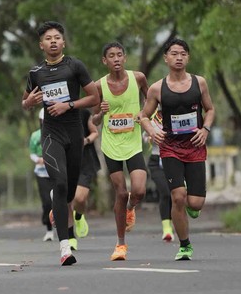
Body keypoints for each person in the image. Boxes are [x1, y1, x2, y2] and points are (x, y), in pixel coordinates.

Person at [22, 21, 99, 266]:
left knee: (70, 192)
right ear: (41, 45)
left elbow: (94, 97)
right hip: (51, 134)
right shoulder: (36, 73)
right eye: (48, 38)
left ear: (63, 42)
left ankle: (59, 204)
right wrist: (29, 102)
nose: (53, 41)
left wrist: (69, 105)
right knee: (60, 182)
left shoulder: (75, 66)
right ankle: (65, 247)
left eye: (57, 37)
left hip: (74, 133)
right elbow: (25, 102)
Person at [139, 38, 215, 261]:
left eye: (183, 53)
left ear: (188, 57)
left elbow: (210, 110)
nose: (178, 57)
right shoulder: (157, 88)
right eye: (174, 53)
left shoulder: (199, 83)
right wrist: (152, 132)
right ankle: (184, 245)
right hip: (170, 147)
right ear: (166, 58)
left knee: (195, 202)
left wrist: (206, 129)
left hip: (195, 146)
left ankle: (194, 203)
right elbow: (143, 116)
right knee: (178, 197)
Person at [92, 42, 148, 261]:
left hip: (133, 144)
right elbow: (94, 120)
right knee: (121, 193)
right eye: (111, 56)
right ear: (104, 61)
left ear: (124, 58)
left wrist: (143, 113)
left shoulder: (138, 78)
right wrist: (100, 112)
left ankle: (131, 208)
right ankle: (120, 244)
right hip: (111, 146)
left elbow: (151, 101)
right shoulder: (98, 86)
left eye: (119, 55)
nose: (116, 59)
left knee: (139, 190)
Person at [69, 108, 100, 251]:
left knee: (80, 198)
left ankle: (79, 216)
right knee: (68, 200)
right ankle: (70, 237)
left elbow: (95, 132)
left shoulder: (83, 113)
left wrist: (86, 140)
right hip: (66, 160)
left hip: (85, 160)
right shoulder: (55, 112)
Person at [143, 109, 174, 241]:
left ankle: (177, 222)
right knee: (165, 192)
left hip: (174, 158)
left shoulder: (175, 115)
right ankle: (167, 229)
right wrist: (151, 138)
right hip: (156, 160)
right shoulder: (152, 119)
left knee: (176, 194)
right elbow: (145, 136)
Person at [29, 108, 55, 242]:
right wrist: (38, 159)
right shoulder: (35, 136)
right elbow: (32, 153)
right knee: (46, 202)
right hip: (41, 172)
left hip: (55, 171)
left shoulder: (56, 133)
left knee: (59, 200)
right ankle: (49, 229)